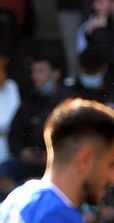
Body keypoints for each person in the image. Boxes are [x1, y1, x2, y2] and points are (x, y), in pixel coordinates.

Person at [7, 51, 71, 180]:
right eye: (34, 71)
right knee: (4, 170)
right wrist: (22, 152)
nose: (34, 76)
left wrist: (53, 155)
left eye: (40, 71)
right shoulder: (29, 102)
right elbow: (14, 134)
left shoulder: (70, 103)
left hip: (61, 163)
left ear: (55, 74)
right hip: (30, 164)